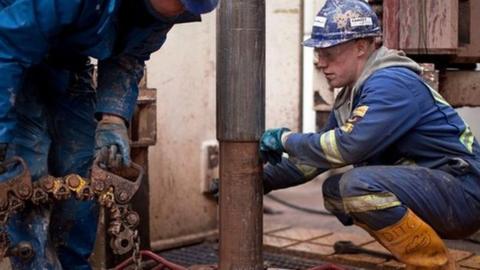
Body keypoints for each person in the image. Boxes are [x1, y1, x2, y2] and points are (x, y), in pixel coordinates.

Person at [259, 0, 480, 268]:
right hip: (437, 188)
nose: (320, 62)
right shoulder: (352, 94)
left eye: (329, 52)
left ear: (361, 47)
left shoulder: (391, 83)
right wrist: (259, 181)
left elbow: (347, 147)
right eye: (318, 53)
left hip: (464, 192)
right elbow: (316, 159)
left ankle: (435, 266)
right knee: (335, 190)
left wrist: (284, 140)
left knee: (356, 186)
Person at [0, 0, 218, 269]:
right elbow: (6, 45)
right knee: (26, 176)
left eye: (185, 9)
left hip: (67, 65)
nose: (178, 12)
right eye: (177, 3)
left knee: (82, 172)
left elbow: (130, 55)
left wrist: (113, 118)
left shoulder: (167, 13)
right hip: (9, 60)